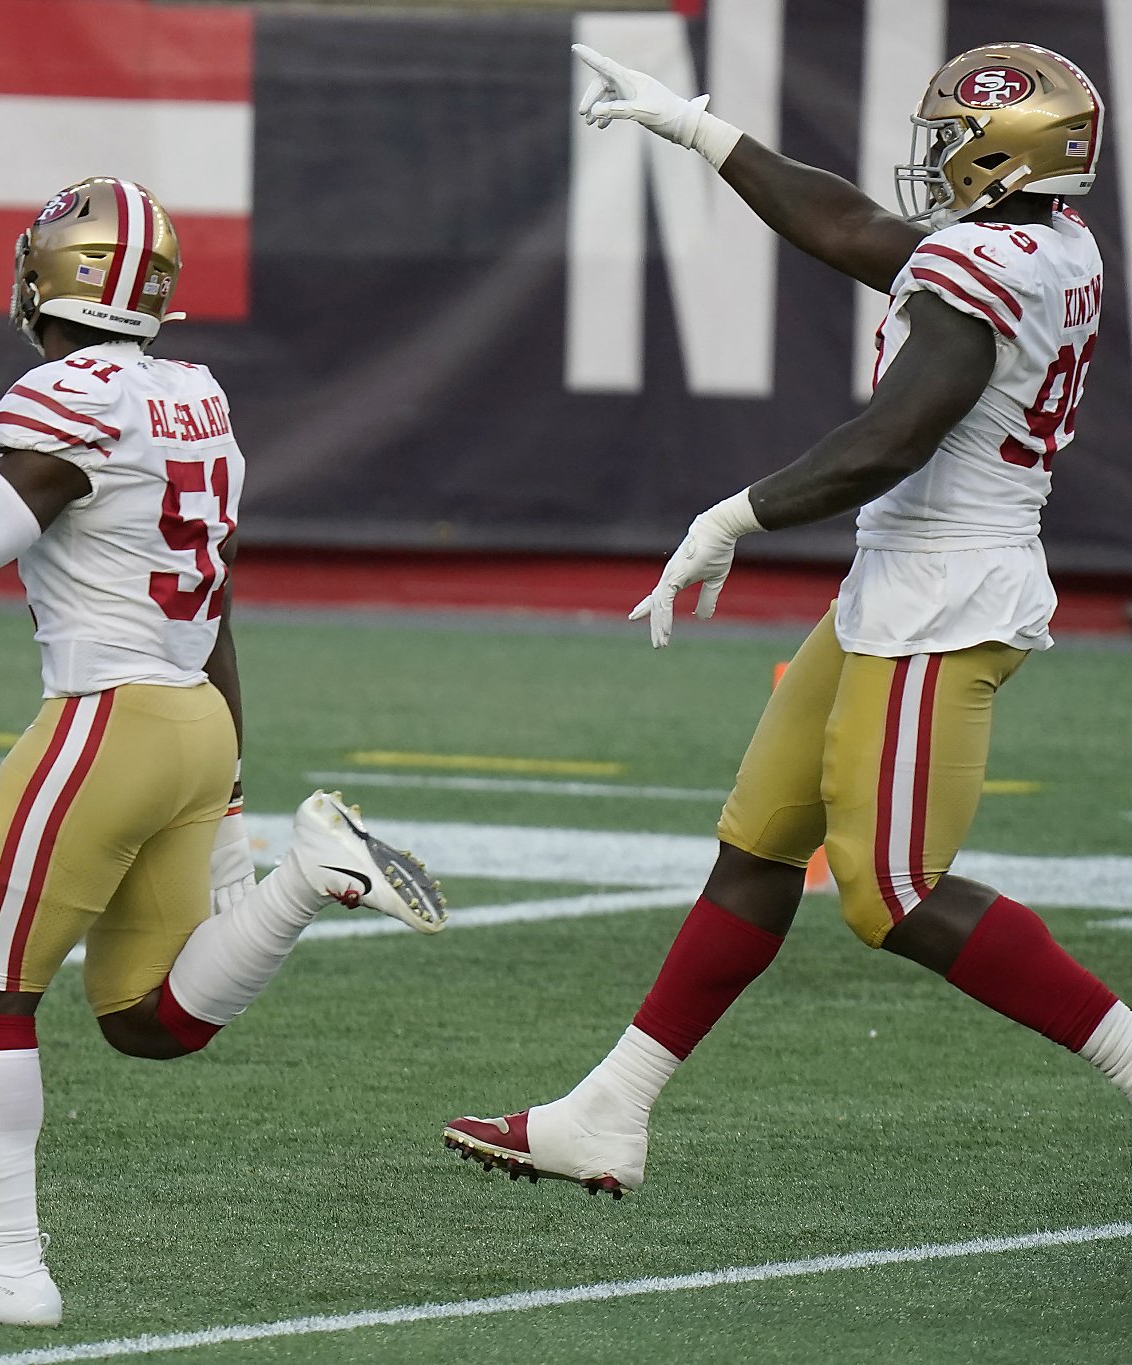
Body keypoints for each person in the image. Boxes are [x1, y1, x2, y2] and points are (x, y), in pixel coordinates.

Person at [444, 43, 1129, 1197]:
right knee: (758, 847)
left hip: (942, 596)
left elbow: (889, 439)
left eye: (948, 136)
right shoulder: (1047, 245)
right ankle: (607, 1114)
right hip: (903, 578)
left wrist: (728, 517)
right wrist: (703, 133)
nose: (929, 159)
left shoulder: (990, 268)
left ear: (1000, 154)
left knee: (893, 890)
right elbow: (852, 229)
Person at [0, 177, 451, 1326]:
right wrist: (233, 786)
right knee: (143, 1019)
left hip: (108, 719)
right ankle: (306, 878)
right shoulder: (194, 393)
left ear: (53, 275)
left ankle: (13, 1274)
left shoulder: (67, 396)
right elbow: (218, 600)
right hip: (191, 715)